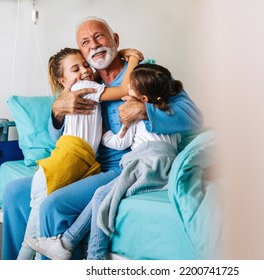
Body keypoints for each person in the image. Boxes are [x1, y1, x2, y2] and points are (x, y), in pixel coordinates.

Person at [1, 16, 203, 260]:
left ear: (115, 40)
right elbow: (60, 139)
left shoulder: (146, 76)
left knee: (54, 206)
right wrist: (57, 111)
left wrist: (145, 110)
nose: (94, 45)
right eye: (85, 42)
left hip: (123, 166)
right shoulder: (86, 82)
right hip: (87, 166)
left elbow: (193, 116)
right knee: (14, 192)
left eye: (99, 36)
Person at [25, 63, 183, 260]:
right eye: (76, 68)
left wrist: (104, 135)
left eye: (131, 87)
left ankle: (91, 256)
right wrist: (57, 109)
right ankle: (67, 244)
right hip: (168, 166)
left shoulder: (133, 111)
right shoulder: (166, 113)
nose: (127, 89)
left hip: (141, 162)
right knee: (18, 191)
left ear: (142, 98)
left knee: (100, 196)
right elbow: (174, 141)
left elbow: (120, 142)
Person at [16, 47, 140, 259]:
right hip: (68, 159)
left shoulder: (83, 89)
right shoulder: (85, 87)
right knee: (33, 239)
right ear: (63, 80)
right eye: (75, 68)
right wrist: (134, 58)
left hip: (75, 158)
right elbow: (126, 88)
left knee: (35, 240)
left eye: (85, 65)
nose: (84, 70)